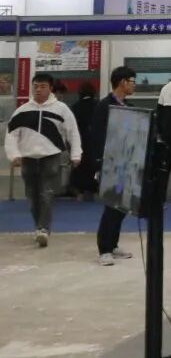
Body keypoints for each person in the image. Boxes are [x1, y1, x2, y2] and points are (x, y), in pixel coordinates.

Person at [4, 72, 82, 247]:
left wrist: (76, 154)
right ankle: (39, 227)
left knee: (47, 193)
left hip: (51, 157)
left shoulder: (61, 109)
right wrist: (14, 154)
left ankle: (43, 229)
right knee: (32, 196)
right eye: (36, 86)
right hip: (28, 158)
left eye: (43, 86)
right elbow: (11, 134)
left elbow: (73, 133)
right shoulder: (22, 110)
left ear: (50, 88)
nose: (38, 90)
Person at [89, 66, 137, 266]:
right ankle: (104, 249)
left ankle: (114, 244)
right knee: (111, 206)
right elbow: (96, 136)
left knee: (122, 206)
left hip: (126, 163)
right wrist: (99, 164)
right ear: (122, 82)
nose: (134, 85)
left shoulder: (129, 106)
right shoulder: (104, 106)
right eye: (132, 81)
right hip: (110, 163)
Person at [70, 82, 99, 197]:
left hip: (80, 141)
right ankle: (92, 189)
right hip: (94, 142)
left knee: (81, 166)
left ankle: (80, 190)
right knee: (92, 166)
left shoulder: (75, 107)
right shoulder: (98, 105)